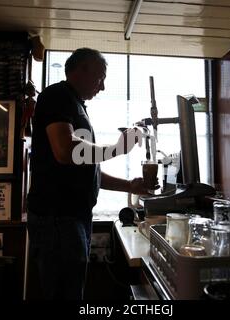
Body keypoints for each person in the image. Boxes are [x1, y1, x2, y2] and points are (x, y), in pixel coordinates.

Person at [27, 48, 157, 300]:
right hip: (58, 219)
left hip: (71, 218)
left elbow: (87, 168)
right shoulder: (57, 96)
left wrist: (130, 185)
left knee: (71, 292)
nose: (103, 86)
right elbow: (66, 151)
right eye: (100, 77)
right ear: (80, 70)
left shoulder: (75, 105)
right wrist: (117, 148)